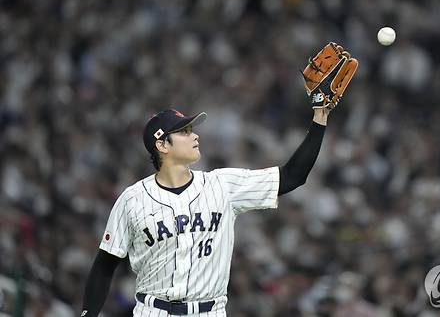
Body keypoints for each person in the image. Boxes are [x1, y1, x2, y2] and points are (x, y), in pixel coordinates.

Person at [79, 105, 331, 317]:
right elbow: (104, 265)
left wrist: (320, 118)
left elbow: (292, 176)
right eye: (185, 132)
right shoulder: (132, 199)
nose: (195, 136)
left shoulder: (221, 185)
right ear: (162, 145)